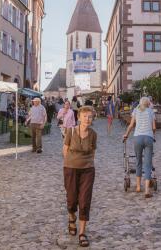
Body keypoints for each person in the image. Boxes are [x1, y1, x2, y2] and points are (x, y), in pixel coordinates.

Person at [62, 106, 97, 248]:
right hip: (71, 169)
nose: (87, 119)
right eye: (85, 116)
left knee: (84, 200)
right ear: (79, 117)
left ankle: (82, 233)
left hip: (87, 170)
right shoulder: (70, 131)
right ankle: (71, 216)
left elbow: (93, 152)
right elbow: (65, 150)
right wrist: (70, 163)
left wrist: (88, 163)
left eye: (90, 116)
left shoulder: (93, 134)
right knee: (71, 199)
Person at [123, 96, 156, 198]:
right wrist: (153, 135)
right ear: (148, 104)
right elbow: (154, 127)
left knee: (138, 162)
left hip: (137, 138)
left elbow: (131, 125)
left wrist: (126, 135)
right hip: (148, 138)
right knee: (148, 163)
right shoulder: (151, 111)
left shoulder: (136, 111)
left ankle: (138, 187)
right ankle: (146, 191)